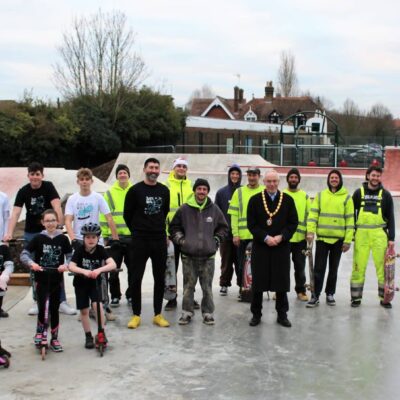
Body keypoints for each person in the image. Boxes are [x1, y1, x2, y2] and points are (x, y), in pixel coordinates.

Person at [3, 162, 75, 316]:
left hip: (49, 230)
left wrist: (59, 225)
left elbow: (56, 206)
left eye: (38, 174)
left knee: (56, 264)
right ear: (28, 175)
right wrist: (9, 232)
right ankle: (38, 301)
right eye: (32, 174)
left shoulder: (48, 186)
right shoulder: (24, 191)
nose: (35, 177)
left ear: (42, 175)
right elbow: (15, 213)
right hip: (32, 234)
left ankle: (61, 301)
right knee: (34, 267)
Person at [170, 179, 228, 325]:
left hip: (208, 256)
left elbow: (223, 228)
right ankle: (187, 312)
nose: (202, 191)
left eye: (204, 189)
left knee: (207, 287)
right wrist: (182, 241)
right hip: (188, 256)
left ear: (208, 191)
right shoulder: (184, 209)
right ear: (194, 190)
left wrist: (215, 240)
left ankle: (208, 313)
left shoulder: (214, 209)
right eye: (199, 189)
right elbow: (174, 227)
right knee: (188, 287)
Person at [65, 168, 119, 321]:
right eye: (81, 179)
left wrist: (115, 239)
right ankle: (85, 308)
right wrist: (73, 239)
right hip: (79, 241)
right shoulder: (72, 199)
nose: (84, 182)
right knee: (82, 274)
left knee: (101, 275)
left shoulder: (98, 198)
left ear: (91, 181)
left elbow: (109, 218)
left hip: (96, 240)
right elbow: (68, 220)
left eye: (87, 179)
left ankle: (103, 307)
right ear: (78, 182)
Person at [123, 157, 170, 329]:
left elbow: (163, 213)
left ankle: (158, 314)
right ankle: (136, 315)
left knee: (159, 278)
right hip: (139, 240)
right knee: (136, 278)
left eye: (156, 168)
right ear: (144, 169)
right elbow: (127, 214)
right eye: (151, 167)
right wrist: (137, 230)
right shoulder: (135, 191)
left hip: (158, 239)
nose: (154, 170)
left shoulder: (164, 191)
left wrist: (157, 229)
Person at [247, 169, 298, 327]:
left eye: (274, 181)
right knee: (259, 282)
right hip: (261, 246)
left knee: (281, 281)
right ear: (264, 182)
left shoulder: (288, 200)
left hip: (281, 247)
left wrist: (281, 236)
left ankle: (282, 315)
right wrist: (265, 237)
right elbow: (252, 224)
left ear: (279, 182)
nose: (272, 184)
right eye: (269, 181)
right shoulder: (255, 200)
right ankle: (256, 314)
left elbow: (293, 223)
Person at [20, 209, 72, 352]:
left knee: (54, 308)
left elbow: (70, 256)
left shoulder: (62, 239)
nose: (50, 223)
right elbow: (24, 255)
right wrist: (32, 264)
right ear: (43, 223)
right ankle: (40, 332)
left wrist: (65, 265)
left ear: (57, 222)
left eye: (53, 220)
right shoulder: (38, 238)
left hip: (56, 278)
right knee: (43, 307)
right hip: (41, 278)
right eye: (47, 221)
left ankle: (54, 338)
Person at [306, 169, 354, 308]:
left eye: (336, 178)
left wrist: (347, 241)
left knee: (334, 269)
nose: (334, 180)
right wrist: (311, 231)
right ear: (328, 180)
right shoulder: (321, 196)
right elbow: (313, 215)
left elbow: (350, 221)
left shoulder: (346, 198)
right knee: (319, 269)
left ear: (340, 180)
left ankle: (330, 293)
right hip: (322, 239)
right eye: (331, 177)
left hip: (338, 241)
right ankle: (315, 295)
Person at [350, 165, 395, 308]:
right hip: (361, 235)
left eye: (378, 176)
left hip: (379, 235)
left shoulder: (386, 195)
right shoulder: (358, 193)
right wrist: (351, 234)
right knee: (358, 266)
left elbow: (391, 217)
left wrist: (391, 238)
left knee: (383, 268)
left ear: (380, 177)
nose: (375, 178)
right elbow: (351, 215)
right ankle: (356, 298)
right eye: (373, 175)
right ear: (368, 176)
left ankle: (385, 298)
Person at [68, 223, 116, 349]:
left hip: (95, 284)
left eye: (94, 237)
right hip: (80, 284)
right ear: (83, 238)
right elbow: (71, 266)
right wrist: (84, 271)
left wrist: (99, 270)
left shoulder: (101, 250)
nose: (91, 240)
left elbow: (112, 264)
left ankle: (101, 332)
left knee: (98, 305)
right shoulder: (79, 250)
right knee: (84, 310)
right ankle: (88, 335)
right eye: (88, 237)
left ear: (98, 238)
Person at [99, 164, 133, 307]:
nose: (122, 175)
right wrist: (106, 235)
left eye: (125, 173)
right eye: (120, 173)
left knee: (133, 269)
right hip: (115, 238)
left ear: (128, 175)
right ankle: (115, 295)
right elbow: (104, 216)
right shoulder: (110, 193)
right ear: (117, 176)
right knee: (113, 269)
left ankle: (131, 295)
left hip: (132, 238)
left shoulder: (135, 191)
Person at [228, 166, 263, 299]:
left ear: (259, 176)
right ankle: (243, 290)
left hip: (259, 237)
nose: (252, 177)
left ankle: (257, 290)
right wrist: (235, 233)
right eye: (250, 175)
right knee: (242, 265)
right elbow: (234, 215)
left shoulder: (264, 191)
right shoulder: (239, 192)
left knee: (259, 266)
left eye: (254, 175)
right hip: (242, 237)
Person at [163, 157, 193, 310]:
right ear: (174, 168)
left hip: (188, 234)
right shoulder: (166, 186)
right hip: (171, 234)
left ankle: (189, 297)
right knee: (171, 267)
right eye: (178, 166)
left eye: (184, 166)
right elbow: (161, 212)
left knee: (189, 268)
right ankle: (171, 298)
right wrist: (164, 232)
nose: (181, 168)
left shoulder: (191, 186)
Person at [283, 168, 311, 301]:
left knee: (300, 267)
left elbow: (309, 216)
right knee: (281, 266)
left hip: (300, 239)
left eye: (295, 177)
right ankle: (279, 291)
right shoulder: (281, 194)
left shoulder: (304, 196)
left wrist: (309, 232)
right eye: (291, 177)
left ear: (299, 180)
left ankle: (301, 291)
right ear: (287, 179)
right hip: (284, 238)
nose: (293, 179)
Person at [215, 164, 242, 296]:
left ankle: (242, 285)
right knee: (226, 261)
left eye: (237, 174)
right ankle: (224, 284)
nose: (235, 176)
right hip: (225, 234)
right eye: (232, 173)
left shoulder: (244, 191)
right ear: (229, 175)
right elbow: (216, 212)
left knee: (240, 261)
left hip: (240, 233)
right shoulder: (221, 192)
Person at [0, 242, 14, 318]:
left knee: (1, 289)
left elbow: (9, 264)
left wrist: (5, 274)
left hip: (0, 278)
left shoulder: (3, 248)